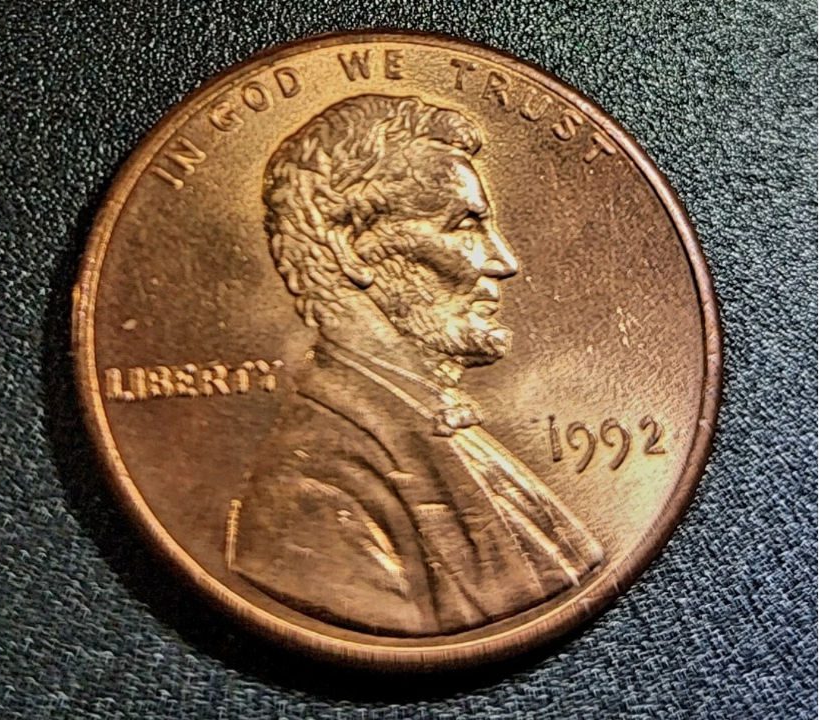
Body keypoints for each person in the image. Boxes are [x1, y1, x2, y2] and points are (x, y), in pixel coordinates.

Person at [226, 94, 604, 636]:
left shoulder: (444, 431)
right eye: (465, 226)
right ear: (351, 248)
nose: (503, 260)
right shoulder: (312, 494)